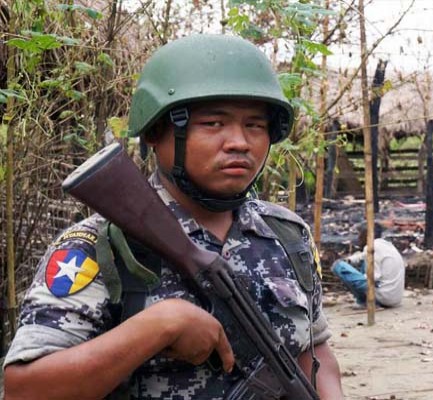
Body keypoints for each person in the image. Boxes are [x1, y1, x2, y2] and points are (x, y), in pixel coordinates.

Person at [3, 34, 343, 399]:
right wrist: (159, 326)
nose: (239, 142)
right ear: (155, 132)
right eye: (213, 123)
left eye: (255, 126)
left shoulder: (287, 236)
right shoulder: (101, 248)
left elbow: (312, 351)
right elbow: (25, 389)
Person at [331, 224, 405, 308]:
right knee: (362, 262)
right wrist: (349, 260)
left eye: (360, 234)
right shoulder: (385, 245)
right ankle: (365, 300)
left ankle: (364, 301)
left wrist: (355, 278)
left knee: (338, 266)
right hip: (394, 297)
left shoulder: (372, 247)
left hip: (384, 297)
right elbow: (362, 256)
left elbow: (374, 276)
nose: (358, 238)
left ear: (366, 235)